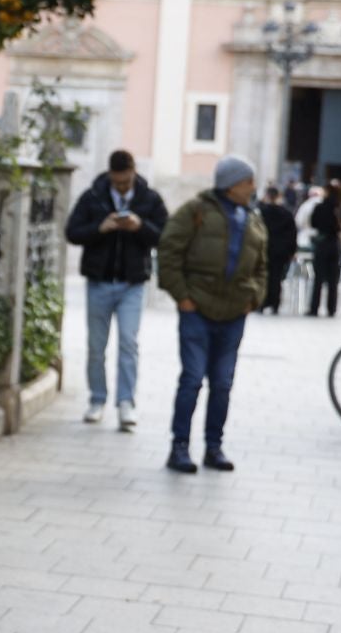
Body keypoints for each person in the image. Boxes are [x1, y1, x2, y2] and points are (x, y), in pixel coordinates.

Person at [157, 155, 268, 474]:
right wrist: (182, 296)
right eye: (248, 181)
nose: (253, 187)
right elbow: (168, 250)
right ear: (232, 184)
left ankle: (213, 447)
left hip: (234, 313)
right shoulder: (195, 211)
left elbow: (262, 266)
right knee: (192, 379)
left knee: (222, 383)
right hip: (197, 309)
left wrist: (254, 298)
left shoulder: (253, 218)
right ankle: (179, 447)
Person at [64, 149, 170, 430]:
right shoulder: (94, 196)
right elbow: (72, 232)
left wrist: (140, 226)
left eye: (126, 182)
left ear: (134, 173)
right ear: (110, 175)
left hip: (132, 284)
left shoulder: (150, 198)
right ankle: (97, 399)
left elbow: (165, 236)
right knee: (96, 346)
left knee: (128, 343)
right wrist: (100, 228)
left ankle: (126, 403)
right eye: (117, 182)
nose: (122, 187)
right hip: (99, 282)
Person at [257, 186, 298, 314]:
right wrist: (291, 251)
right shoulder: (286, 213)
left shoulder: (261, 212)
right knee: (277, 277)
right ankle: (275, 303)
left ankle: (263, 302)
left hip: (265, 249)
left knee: (265, 277)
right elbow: (292, 233)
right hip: (281, 250)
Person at [308, 180, 341, 316]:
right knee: (333, 279)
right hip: (334, 244)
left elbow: (313, 223)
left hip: (322, 243)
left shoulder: (320, 207)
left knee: (318, 278)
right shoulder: (339, 208)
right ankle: (331, 308)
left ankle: (314, 308)